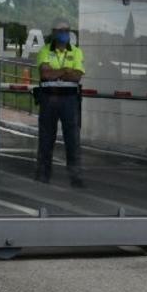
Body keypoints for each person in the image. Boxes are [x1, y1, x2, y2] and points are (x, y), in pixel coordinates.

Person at [36, 20, 84, 187]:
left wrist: (56, 72)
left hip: (69, 101)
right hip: (48, 99)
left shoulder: (76, 52)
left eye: (66, 30)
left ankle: (75, 177)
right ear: (54, 32)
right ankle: (43, 174)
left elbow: (77, 76)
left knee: (72, 140)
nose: (64, 33)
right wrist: (65, 71)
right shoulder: (44, 51)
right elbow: (45, 74)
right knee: (46, 138)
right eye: (60, 30)